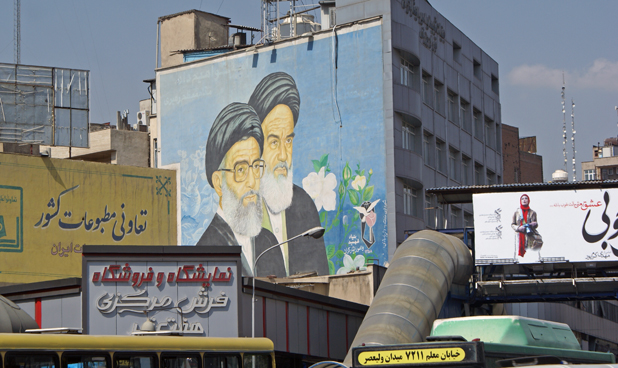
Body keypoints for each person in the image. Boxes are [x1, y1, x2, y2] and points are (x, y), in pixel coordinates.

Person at [248, 72, 329, 276]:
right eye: (274, 142)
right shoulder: (241, 206)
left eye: (289, 141)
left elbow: (320, 281)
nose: (284, 155)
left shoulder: (303, 205)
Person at [197, 103, 286, 277]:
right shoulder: (205, 251)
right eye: (241, 170)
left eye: (256, 167)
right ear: (218, 182)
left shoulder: (269, 244)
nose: (252, 182)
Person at [511, 194, 539, 258]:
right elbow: (512, 224)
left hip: (530, 236)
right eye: (522, 199)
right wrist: (518, 228)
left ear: (528, 200)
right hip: (519, 236)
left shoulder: (533, 212)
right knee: (519, 256)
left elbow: (536, 224)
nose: (524, 200)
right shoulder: (516, 212)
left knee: (531, 253)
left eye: (526, 198)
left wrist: (532, 224)